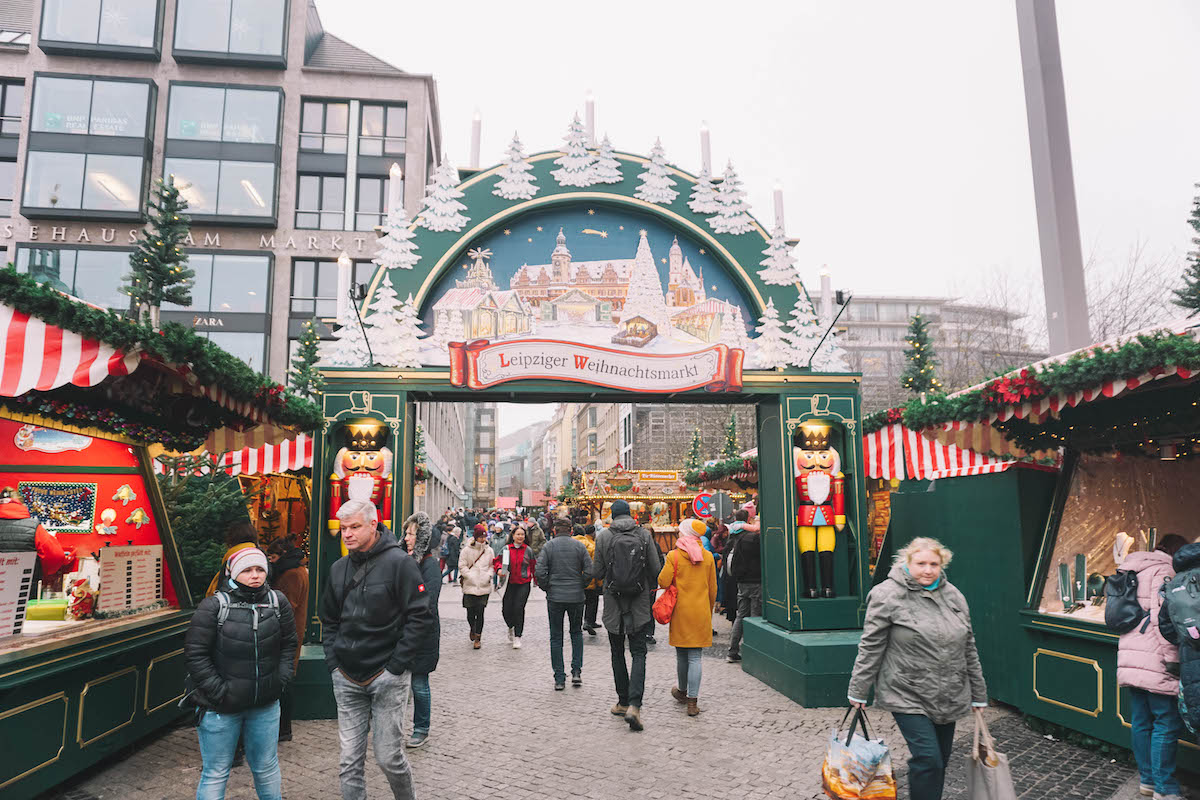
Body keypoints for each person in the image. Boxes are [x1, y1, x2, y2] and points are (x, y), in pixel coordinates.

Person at [847, 537, 986, 800]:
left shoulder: (954, 596)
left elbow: (969, 647)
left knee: (940, 761)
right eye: (921, 563)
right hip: (906, 690)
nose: (928, 569)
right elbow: (871, 646)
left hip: (949, 691)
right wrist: (859, 690)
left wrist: (978, 693)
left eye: (934, 563)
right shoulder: (887, 595)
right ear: (907, 562)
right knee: (928, 758)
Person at [319, 500, 434, 800]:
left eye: (354, 527)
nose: (347, 534)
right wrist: (334, 663)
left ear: (373, 524)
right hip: (346, 676)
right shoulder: (338, 569)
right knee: (349, 761)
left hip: (387, 676)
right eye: (343, 528)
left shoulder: (400, 563)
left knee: (389, 758)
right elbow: (328, 619)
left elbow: (420, 616)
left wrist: (396, 667)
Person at [185, 546, 297, 800]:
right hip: (220, 709)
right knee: (216, 772)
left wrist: (279, 680)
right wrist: (219, 691)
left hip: (265, 705)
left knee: (266, 768)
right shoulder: (213, 606)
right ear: (234, 573)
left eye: (260, 569)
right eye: (247, 570)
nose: (255, 575)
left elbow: (289, 643)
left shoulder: (277, 602)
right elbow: (196, 654)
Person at [1119, 534, 1186, 800]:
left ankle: (1148, 782)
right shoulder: (1165, 570)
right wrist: (1173, 658)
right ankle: (1164, 788)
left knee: (1141, 721)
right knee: (1166, 723)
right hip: (1156, 658)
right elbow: (1163, 620)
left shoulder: (1132, 566)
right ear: (1174, 551)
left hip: (1131, 657)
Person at [593, 499, 662, 731]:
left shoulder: (603, 537)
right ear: (630, 515)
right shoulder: (643, 535)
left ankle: (622, 701)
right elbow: (655, 569)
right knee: (639, 652)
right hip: (639, 603)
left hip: (614, 604)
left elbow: (598, 572)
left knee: (616, 652)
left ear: (612, 515)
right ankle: (635, 705)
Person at [658, 519, 717, 717]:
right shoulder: (707, 556)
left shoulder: (673, 556)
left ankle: (682, 691)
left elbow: (663, 581)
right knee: (695, 656)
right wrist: (708, 611)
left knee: (682, 654)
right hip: (700, 611)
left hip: (680, 611)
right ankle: (693, 702)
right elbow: (713, 589)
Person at [535, 515, 594, 690]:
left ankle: (559, 677)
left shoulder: (549, 546)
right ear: (570, 530)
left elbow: (540, 571)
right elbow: (590, 570)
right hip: (576, 596)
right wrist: (580, 585)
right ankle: (576, 672)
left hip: (555, 597)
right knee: (576, 633)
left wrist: (548, 587)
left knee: (556, 637)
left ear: (554, 530)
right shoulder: (579, 546)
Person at [401, 512, 442, 749]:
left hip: (422, 635)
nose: (407, 537)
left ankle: (421, 728)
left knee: (419, 683)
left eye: (411, 533)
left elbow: (428, 600)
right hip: (401, 633)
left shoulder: (430, 565)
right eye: (406, 533)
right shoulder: (402, 560)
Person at [267, 539, 308, 742]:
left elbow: (287, 607)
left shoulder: (291, 574)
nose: (270, 562)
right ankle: (283, 729)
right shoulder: (295, 570)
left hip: (285, 635)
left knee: (283, 681)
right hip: (289, 633)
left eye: (273, 557)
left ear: (282, 555)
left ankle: (283, 729)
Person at [727, 514, 762, 664]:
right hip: (756, 581)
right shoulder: (755, 539)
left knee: (740, 616)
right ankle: (753, 651)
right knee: (755, 615)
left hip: (742, 581)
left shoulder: (738, 539)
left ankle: (732, 650)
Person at [496, 525, 536, 649]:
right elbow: (497, 561)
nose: (520, 537)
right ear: (513, 536)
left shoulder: (528, 550)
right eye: (518, 534)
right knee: (506, 609)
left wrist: (537, 580)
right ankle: (511, 627)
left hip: (524, 583)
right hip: (509, 582)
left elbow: (534, 565)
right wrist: (498, 569)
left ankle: (518, 636)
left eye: (522, 534)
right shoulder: (506, 549)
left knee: (519, 608)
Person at [459, 523, 494, 648]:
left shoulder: (489, 550)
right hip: (470, 585)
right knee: (470, 613)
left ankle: (478, 637)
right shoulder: (466, 550)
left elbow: (492, 565)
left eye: (484, 537)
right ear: (476, 537)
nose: (483, 539)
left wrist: (488, 575)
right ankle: (472, 628)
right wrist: (470, 576)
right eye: (481, 537)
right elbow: (462, 565)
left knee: (480, 612)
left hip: (484, 585)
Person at [575, 523, 601, 635]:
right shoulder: (592, 546)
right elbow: (595, 565)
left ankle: (578, 623)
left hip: (575, 580)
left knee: (579, 603)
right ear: (593, 533)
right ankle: (589, 621)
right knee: (592, 602)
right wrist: (599, 582)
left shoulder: (572, 544)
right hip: (589, 580)